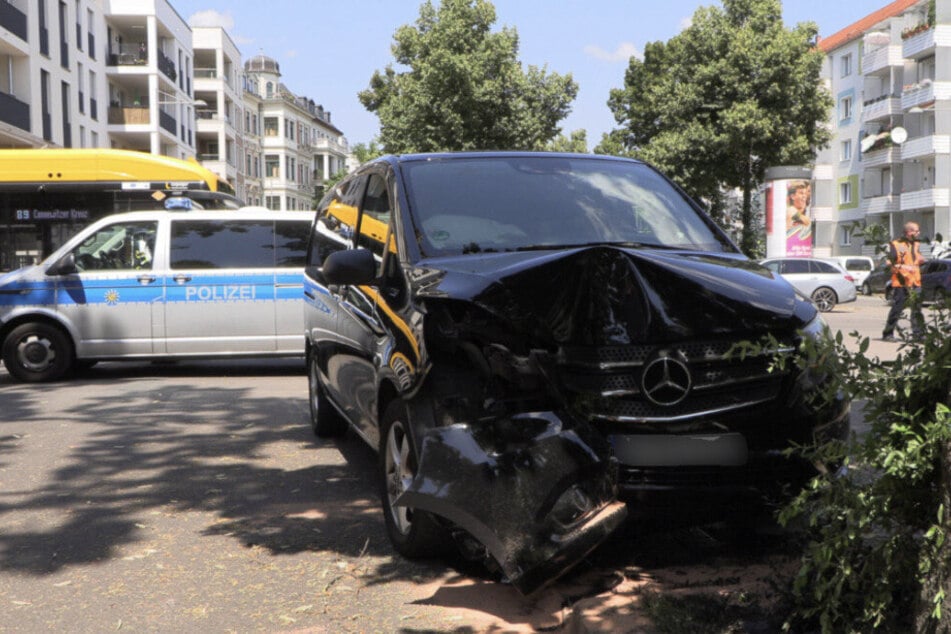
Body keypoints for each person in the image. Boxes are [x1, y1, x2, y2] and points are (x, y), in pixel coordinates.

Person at [882, 221, 926, 342]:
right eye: (917, 231)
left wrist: (921, 260)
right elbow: (889, 263)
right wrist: (904, 268)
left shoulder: (916, 244)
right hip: (901, 283)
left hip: (915, 282)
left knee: (917, 309)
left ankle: (918, 334)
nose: (919, 233)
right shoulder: (897, 245)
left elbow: (915, 260)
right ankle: (888, 333)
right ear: (909, 232)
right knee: (897, 308)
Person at [785, 180, 812, 256]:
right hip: (790, 250)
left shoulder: (797, 212)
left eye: (805, 194)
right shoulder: (791, 210)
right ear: (792, 196)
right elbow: (807, 222)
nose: (804, 196)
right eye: (801, 193)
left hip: (797, 251)